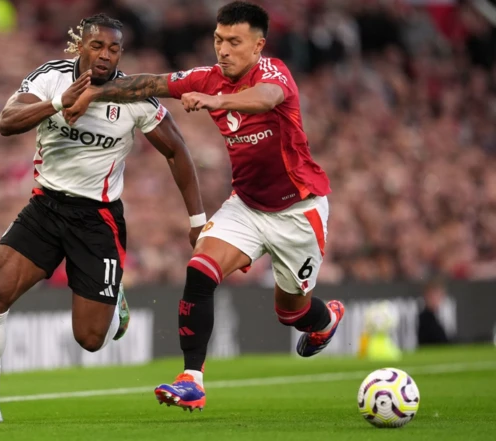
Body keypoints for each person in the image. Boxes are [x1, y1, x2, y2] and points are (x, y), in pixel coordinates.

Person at [65, 1, 345, 411]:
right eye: (218, 39)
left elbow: (266, 98)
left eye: (234, 41)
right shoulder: (206, 77)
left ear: (258, 46)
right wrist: (94, 91)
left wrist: (220, 102)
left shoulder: (273, 73)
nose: (223, 49)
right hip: (247, 207)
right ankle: (191, 379)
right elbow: (149, 84)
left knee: (292, 313)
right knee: (199, 269)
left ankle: (325, 321)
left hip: (298, 212)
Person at [0, 13, 205, 424]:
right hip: (46, 206)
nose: (105, 55)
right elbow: (5, 123)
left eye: (113, 48)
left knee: (89, 339)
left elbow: (177, 151)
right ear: (80, 46)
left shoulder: (134, 96)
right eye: (97, 46)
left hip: (97, 219)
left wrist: (197, 219)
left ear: (120, 53)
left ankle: (113, 297)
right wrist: (57, 103)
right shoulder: (51, 78)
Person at [417, 279, 451, 346]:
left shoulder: (437, 317)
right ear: (426, 296)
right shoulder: (424, 319)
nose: (436, 299)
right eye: (433, 295)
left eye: (439, 295)